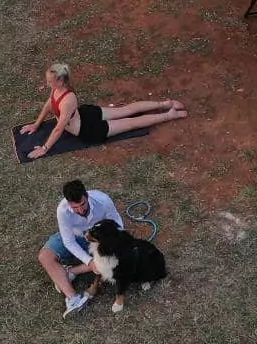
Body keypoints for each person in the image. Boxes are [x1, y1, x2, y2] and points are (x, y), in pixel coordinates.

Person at [22, 63, 186, 160]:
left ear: (59, 80)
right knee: (125, 112)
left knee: (131, 121)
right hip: (86, 115)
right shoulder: (56, 90)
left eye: (49, 81)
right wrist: (36, 124)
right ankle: (165, 106)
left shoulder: (68, 99)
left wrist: (44, 148)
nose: (47, 83)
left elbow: (58, 128)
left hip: (89, 129)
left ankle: (167, 111)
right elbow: (48, 105)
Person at [39, 179, 122, 316]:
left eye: (82, 204)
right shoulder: (63, 210)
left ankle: (71, 271)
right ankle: (73, 299)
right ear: (68, 203)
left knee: (112, 260)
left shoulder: (103, 200)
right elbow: (69, 241)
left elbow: (117, 223)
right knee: (44, 256)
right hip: (76, 237)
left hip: (97, 239)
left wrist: (113, 244)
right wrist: (89, 261)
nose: (80, 210)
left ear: (87, 196)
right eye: (75, 207)